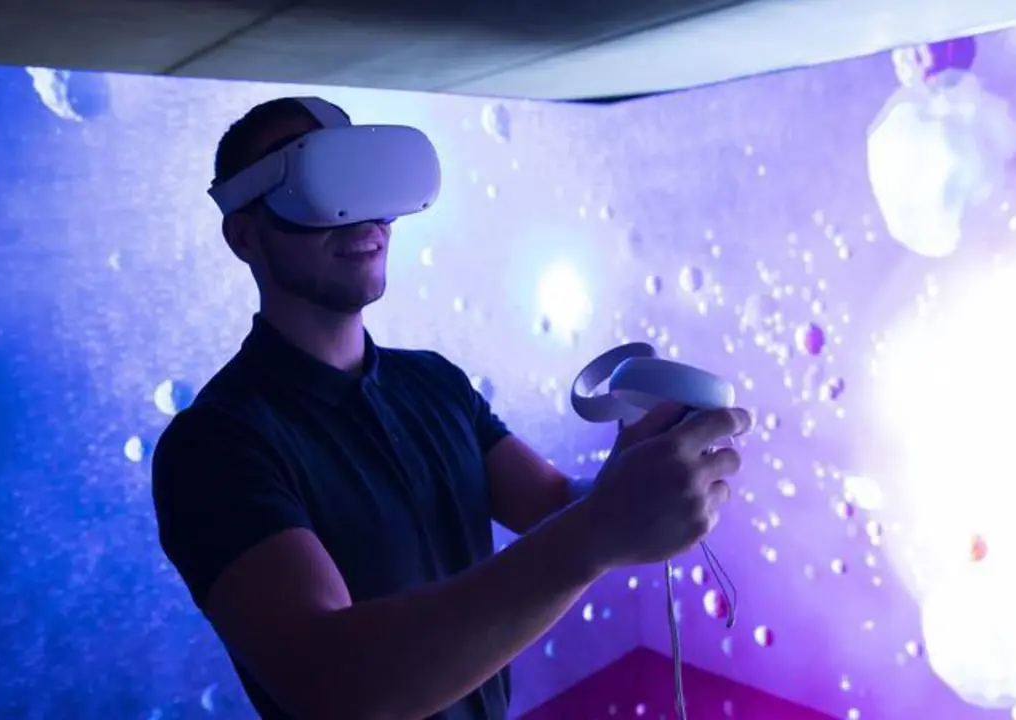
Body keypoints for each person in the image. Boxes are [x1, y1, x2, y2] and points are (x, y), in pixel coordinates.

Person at [151, 96, 752, 720]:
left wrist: (638, 464)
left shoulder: (435, 383)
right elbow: (331, 685)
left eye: (363, 177)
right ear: (245, 236)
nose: (360, 213)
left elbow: (554, 508)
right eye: (316, 185)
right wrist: (600, 530)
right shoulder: (214, 446)